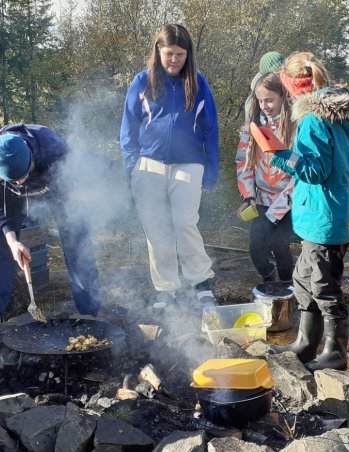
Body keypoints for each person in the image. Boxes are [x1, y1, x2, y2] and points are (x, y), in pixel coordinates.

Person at [267, 52, 349, 371]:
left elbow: (315, 171)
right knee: (304, 279)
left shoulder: (315, 118)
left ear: (293, 86)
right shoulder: (343, 112)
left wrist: (281, 155)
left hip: (323, 215)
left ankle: (335, 352)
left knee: (325, 286)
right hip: (334, 209)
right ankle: (306, 344)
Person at [120, 24, 220, 310]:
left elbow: (211, 129)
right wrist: (132, 164)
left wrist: (211, 173)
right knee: (156, 226)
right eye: (169, 54)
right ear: (158, 51)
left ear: (188, 55)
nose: (174, 60)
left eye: (180, 54)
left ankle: (201, 282)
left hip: (189, 163)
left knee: (184, 222)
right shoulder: (143, 81)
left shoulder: (198, 83)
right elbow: (128, 126)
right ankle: (166, 288)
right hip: (148, 164)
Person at [0, 123, 102, 318]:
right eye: (14, 180)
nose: (20, 182)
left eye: (24, 175)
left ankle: (90, 311)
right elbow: (0, 207)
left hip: (58, 190)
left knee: (76, 237)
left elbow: (75, 186)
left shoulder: (52, 148)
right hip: (12, 200)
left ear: (32, 158)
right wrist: (13, 242)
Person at [236, 72, 297, 283]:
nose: (265, 106)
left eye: (270, 100)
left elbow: (300, 173)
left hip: (288, 202)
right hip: (261, 200)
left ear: (283, 97)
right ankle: (269, 282)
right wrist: (248, 196)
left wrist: (278, 210)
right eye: (260, 101)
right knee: (256, 247)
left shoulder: (296, 128)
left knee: (280, 245)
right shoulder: (252, 129)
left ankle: (288, 285)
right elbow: (244, 164)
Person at [243, 52, 287, 124]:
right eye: (260, 101)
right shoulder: (252, 102)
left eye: (269, 101)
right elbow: (249, 125)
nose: (263, 106)